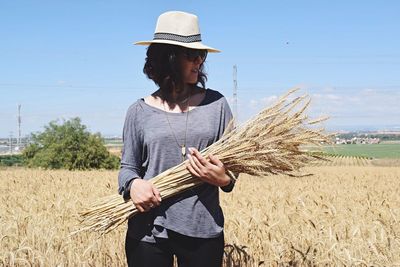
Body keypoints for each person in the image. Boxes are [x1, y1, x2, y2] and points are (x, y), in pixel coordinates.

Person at [118, 11, 237, 267]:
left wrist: (224, 179)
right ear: (167, 58)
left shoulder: (217, 105)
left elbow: (235, 166)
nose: (199, 61)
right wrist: (134, 186)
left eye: (201, 55)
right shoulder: (138, 111)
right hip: (147, 231)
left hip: (202, 230)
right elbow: (127, 168)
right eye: (191, 55)